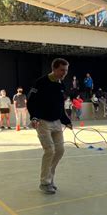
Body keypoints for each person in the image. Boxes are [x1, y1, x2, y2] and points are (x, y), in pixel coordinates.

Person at [27, 58, 72, 195]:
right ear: (54, 69)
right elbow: (31, 102)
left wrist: (66, 120)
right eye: (62, 70)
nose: (64, 73)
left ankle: (49, 178)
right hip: (43, 122)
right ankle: (45, 183)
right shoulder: (40, 82)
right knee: (50, 150)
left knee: (60, 150)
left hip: (57, 122)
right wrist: (34, 117)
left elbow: (59, 105)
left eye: (66, 70)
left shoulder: (61, 84)